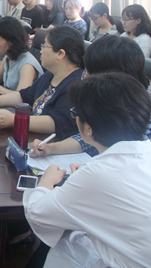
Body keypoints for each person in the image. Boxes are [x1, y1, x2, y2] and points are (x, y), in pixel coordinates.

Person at [23, 72, 151, 268]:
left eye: (76, 113)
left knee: (67, 245)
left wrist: (47, 180)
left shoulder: (97, 174)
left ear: (88, 128)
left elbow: (39, 214)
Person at [31, 35, 150, 158]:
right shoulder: (116, 98)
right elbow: (94, 135)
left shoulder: (142, 113)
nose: (84, 77)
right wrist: (51, 148)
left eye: (89, 73)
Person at [0, 26, 84, 140]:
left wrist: (14, 120)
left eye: (44, 46)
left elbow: (57, 123)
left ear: (60, 54)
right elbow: (24, 96)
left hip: (52, 144)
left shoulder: (76, 84)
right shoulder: (50, 75)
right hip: (36, 138)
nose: (41, 51)